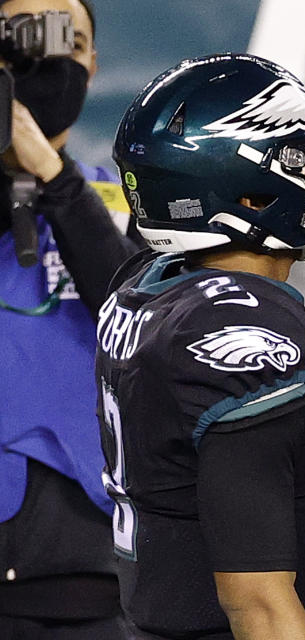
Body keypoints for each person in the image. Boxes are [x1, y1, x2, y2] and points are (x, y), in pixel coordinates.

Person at [98, 53, 305, 639]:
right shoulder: (243, 327)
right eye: (302, 159)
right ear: (248, 194)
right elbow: (257, 602)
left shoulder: (147, 285)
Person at [0, 0, 141, 637]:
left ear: (93, 62)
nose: (53, 58)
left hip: (80, 566)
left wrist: (53, 178)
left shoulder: (117, 201)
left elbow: (137, 311)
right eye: (25, 38)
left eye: (72, 40)